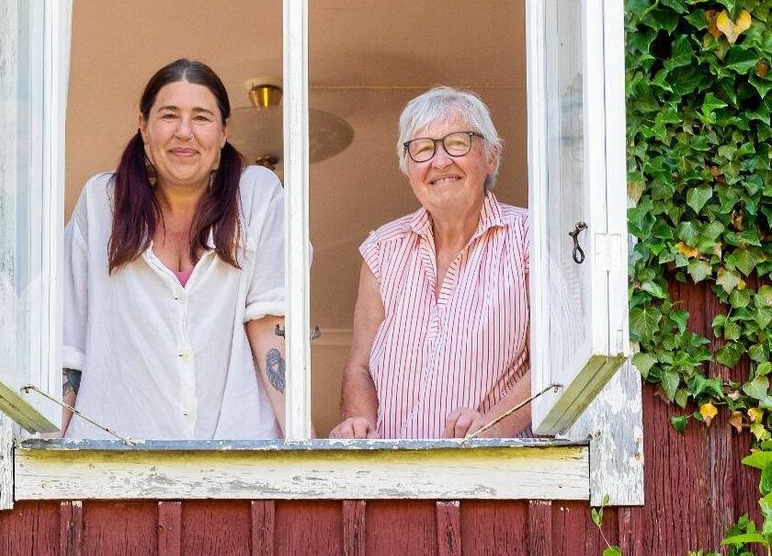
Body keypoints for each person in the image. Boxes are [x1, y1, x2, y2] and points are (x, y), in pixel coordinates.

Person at [60, 59, 286, 440]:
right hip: (112, 464)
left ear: (223, 132)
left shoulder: (256, 195)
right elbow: (70, 343)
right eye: (169, 115)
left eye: (201, 117)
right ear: (144, 127)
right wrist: (47, 458)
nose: (184, 132)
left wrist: (303, 445)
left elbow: (270, 327)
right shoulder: (102, 203)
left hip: (239, 460)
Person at [329, 87, 530, 439]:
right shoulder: (381, 250)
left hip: (496, 479)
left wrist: (492, 428)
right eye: (422, 149)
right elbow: (359, 368)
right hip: (396, 483)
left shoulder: (531, 238)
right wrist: (359, 426)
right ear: (408, 169)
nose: (440, 162)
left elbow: (553, 362)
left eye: (457, 142)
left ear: (491, 157)